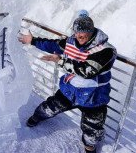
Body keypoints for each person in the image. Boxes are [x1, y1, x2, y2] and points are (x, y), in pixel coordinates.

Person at [18, 13, 116, 153]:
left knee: (92, 130)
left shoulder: (106, 50)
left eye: (83, 34)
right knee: (49, 107)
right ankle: (36, 117)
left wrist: (60, 60)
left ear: (92, 32)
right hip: (70, 90)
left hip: (94, 98)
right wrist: (32, 40)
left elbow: (86, 71)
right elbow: (52, 44)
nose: (79, 37)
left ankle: (89, 148)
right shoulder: (72, 41)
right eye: (77, 34)